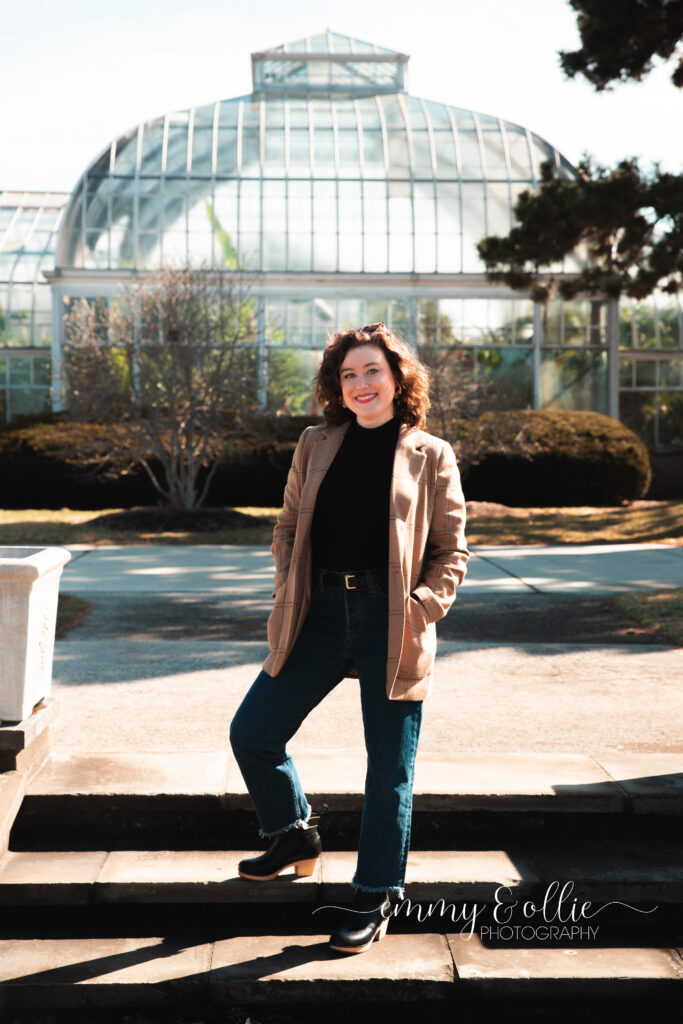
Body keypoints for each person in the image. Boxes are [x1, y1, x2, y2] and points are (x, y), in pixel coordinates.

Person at [229, 322, 469, 955]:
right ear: (338, 387)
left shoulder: (431, 454)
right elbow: (286, 527)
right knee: (252, 731)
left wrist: (421, 607)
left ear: (398, 378)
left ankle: (376, 895)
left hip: (393, 620)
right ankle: (292, 832)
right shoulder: (316, 443)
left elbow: (451, 551)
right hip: (317, 615)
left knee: (388, 769)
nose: (361, 384)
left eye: (373, 371)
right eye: (349, 375)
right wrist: (289, 584)